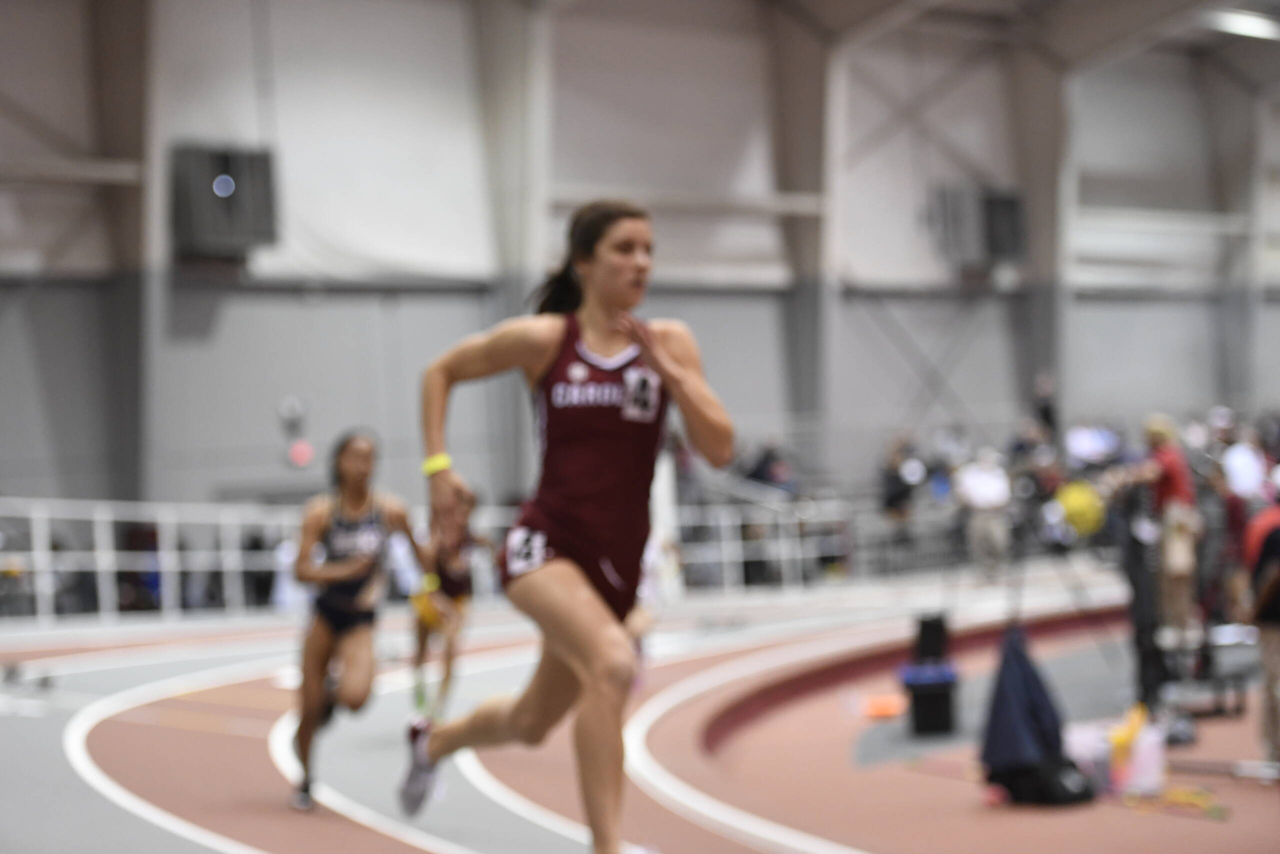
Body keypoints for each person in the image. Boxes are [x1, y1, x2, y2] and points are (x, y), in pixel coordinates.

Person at [401, 200, 734, 854]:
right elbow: (440, 371)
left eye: (648, 249)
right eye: (624, 248)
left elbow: (720, 447)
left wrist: (673, 377)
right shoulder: (546, 341)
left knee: (531, 722)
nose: (641, 262)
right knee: (613, 663)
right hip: (544, 545)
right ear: (584, 262)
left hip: (614, 568)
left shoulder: (671, 343)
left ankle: (437, 742)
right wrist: (438, 469)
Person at [290, 431, 452, 812]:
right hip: (325, 616)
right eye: (355, 457)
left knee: (356, 697)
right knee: (308, 710)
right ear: (338, 463)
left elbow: (420, 554)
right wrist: (344, 571)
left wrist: (433, 589)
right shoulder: (321, 512)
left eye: (370, 458)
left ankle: (334, 694)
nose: (364, 466)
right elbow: (301, 570)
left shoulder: (390, 511)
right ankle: (305, 776)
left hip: (360, 619)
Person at [408, 491, 491, 717]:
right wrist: (437, 600)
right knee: (420, 648)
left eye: (468, 511)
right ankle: (419, 686)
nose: (462, 515)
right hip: (431, 596)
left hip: (458, 601)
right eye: (459, 509)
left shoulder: (471, 539)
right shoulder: (437, 538)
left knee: (451, 650)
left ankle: (439, 707)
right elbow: (427, 575)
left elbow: (492, 552)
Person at [954, 448, 1012, 583]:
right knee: (979, 544)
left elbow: (1005, 494)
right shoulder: (969, 473)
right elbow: (962, 491)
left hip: (995, 514)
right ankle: (986, 573)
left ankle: (997, 568)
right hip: (977, 513)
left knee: (999, 542)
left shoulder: (998, 473)